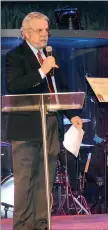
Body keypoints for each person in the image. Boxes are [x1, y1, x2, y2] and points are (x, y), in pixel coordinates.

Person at [5, 12, 83, 230]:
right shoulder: (15, 56)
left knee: (45, 180)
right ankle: (22, 226)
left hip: (50, 124)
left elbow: (60, 91)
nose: (44, 35)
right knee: (25, 180)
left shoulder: (51, 55)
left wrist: (72, 114)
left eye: (46, 30)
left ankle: (42, 224)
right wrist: (42, 71)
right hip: (26, 126)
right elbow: (14, 86)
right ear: (25, 34)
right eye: (39, 30)